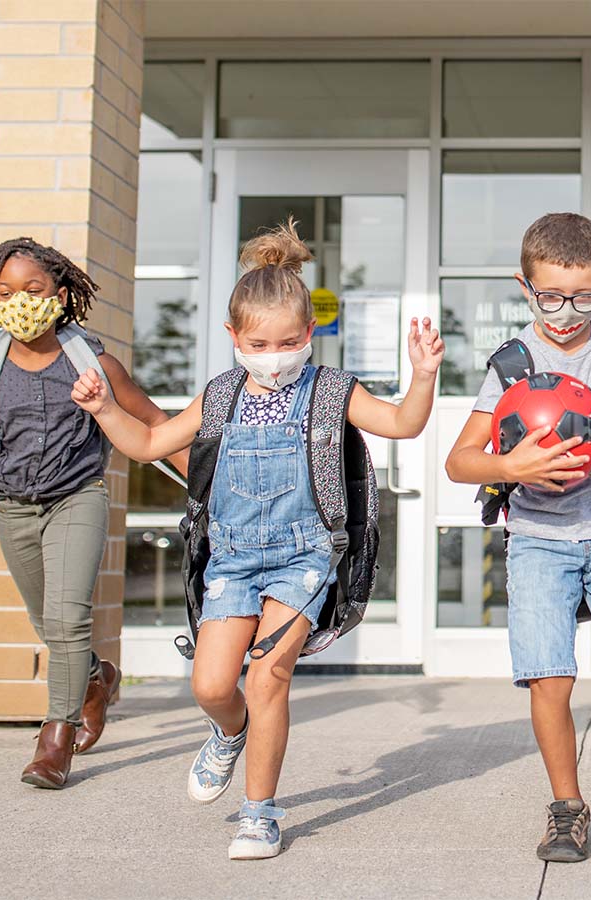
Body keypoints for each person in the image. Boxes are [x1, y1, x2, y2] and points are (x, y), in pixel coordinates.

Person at [71, 219, 444, 860]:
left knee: (269, 673)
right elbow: (151, 444)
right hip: (234, 557)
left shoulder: (331, 392)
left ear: (310, 334)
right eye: (259, 342)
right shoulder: (219, 397)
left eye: (289, 341)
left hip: (304, 555)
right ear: (234, 337)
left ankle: (259, 812)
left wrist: (424, 376)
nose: (275, 353)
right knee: (213, 686)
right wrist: (105, 410)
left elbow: (404, 424)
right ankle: (229, 730)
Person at [445, 213, 591, 863]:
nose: (566, 312)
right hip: (538, 537)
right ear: (525, 288)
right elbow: (459, 461)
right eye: (550, 296)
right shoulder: (512, 364)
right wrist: (509, 467)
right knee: (550, 677)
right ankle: (566, 805)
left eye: (583, 296)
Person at [0, 237, 182, 788]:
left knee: (69, 617)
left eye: (33, 288)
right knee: (49, 624)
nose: (20, 301)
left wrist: (211, 480)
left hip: (77, 497)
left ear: (60, 292)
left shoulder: (92, 361)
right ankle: (97, 680)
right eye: (6, 292)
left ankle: (56, 739)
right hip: (12, 507)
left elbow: (154, 425)